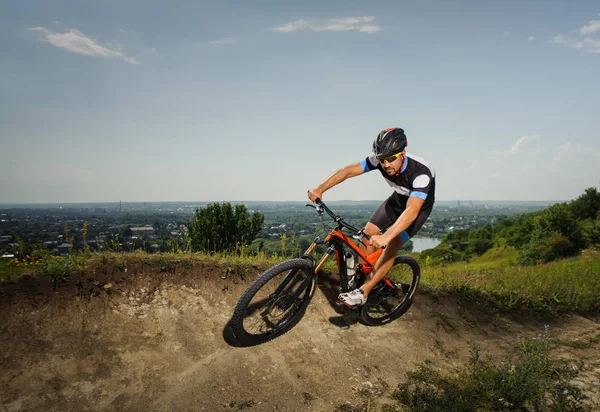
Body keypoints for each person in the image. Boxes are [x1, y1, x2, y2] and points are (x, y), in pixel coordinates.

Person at [307, 127, 435, 307]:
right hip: (397, 200)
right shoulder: (380, 159)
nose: (386, 164)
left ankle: (364, 292)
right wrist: (320, 188)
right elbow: (348, 171)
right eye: (382, 160)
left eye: (391, 159)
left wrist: (386, 236)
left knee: (392, 244)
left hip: (417, 209)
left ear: (403, 154)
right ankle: (361, 274)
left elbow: (412, 211)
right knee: (366, 235)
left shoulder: (421, 172)